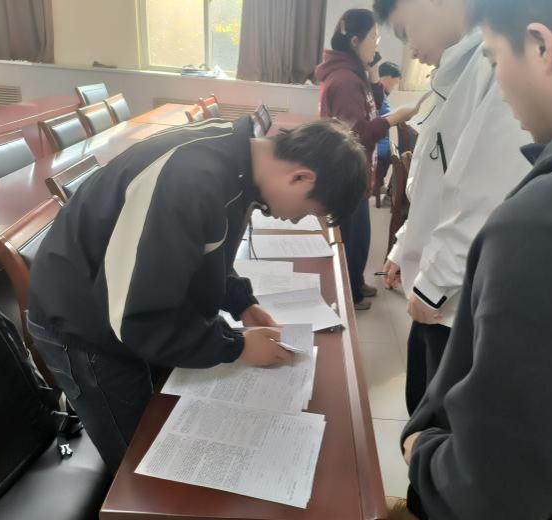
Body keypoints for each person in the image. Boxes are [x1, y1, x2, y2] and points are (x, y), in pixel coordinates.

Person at [394, 0, 552, 518]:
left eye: (493, 59)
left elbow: (496, 489)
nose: (499, 84)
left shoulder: (544, 224)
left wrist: (423, 452)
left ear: (540, 45)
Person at [27, 117, 368, 471]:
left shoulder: (241, 164)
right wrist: (237, 346)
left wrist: (241, 302)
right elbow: (139, 320)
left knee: (161, 421)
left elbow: (201, 250)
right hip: (85, 327)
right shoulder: (190, 179)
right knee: (139, 461)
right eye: (309, 211)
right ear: (301, 177)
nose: (297, 220)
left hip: (127, 305)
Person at [373, 0, 531, 414]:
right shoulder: (454, 72)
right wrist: (403, 245)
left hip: (453, 297)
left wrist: (434, 284)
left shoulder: (493, 62)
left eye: (406, 31)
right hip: (435, 287)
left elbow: (489, 193)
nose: (410, 50)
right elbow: (434, 182)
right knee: (420, 405)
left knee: (437, 420)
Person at [315, 8, 420, 311]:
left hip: (355, 172)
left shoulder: (353, 74)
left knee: (360, 237)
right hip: (347, 174)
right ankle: (350, 293)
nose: (377, 44)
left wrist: (372, 76)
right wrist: (393, 119)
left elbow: (370, 104)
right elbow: (357, 134)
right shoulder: (346, 80)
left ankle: (356, 283)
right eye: (373, 37)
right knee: (352, 238)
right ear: (355, 41)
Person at [374, 61, 402, 207]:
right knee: (393, 155)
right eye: (395, 82)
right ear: (389, 78)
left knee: (394, 153)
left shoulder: (382, 93)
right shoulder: (377, 93)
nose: (394, 86)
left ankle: (382, 185)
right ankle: (378, 186)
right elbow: (383, 117)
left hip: (381, 137)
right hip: (377, 140)